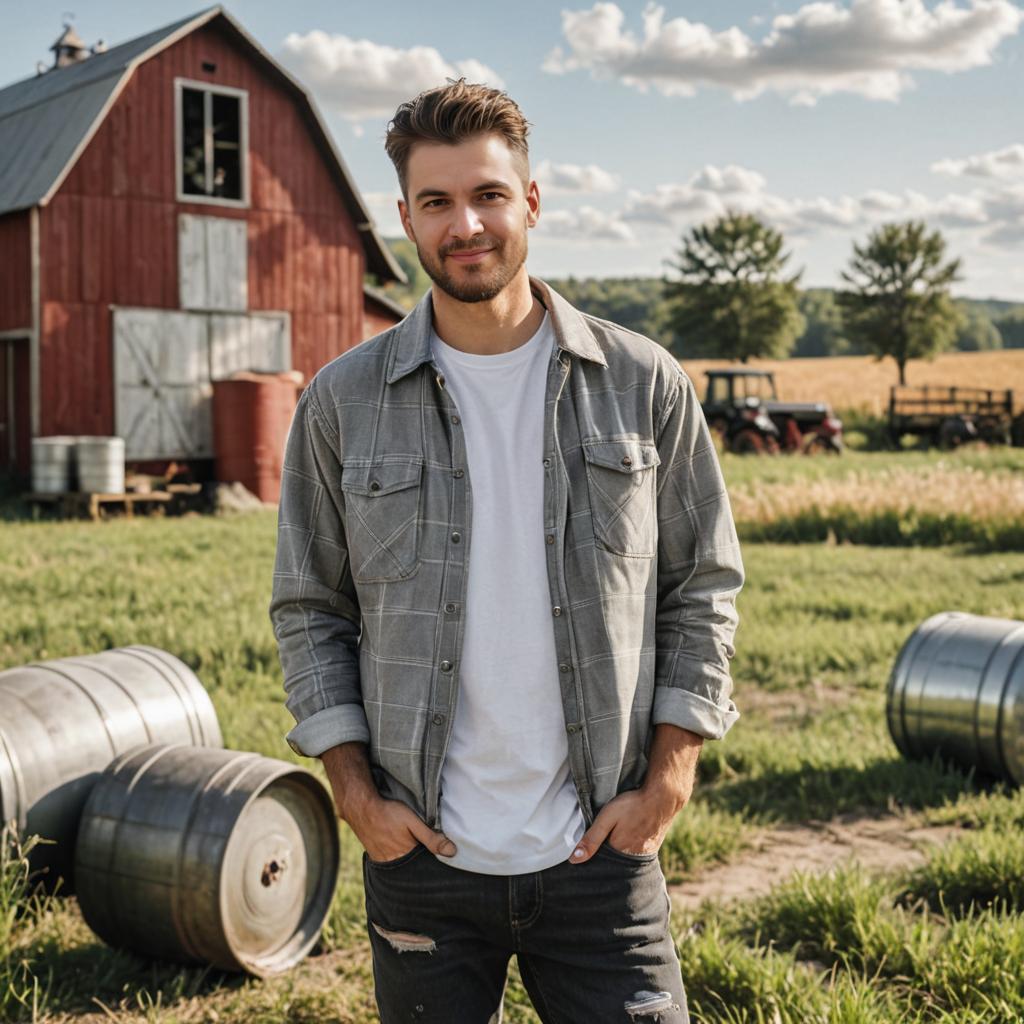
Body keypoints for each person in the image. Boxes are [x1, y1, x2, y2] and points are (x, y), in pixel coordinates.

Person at [269, 79, 743, 1024]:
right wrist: (354, 793)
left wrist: (672, 771)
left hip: (602, 859)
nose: (466, 224)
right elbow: (311, 608)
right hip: (423, 863)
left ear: (530, 199)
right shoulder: (341, 401)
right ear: (406, 217)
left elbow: (703, 585)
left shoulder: (641, 383)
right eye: (437, 202)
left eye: (488, 194)